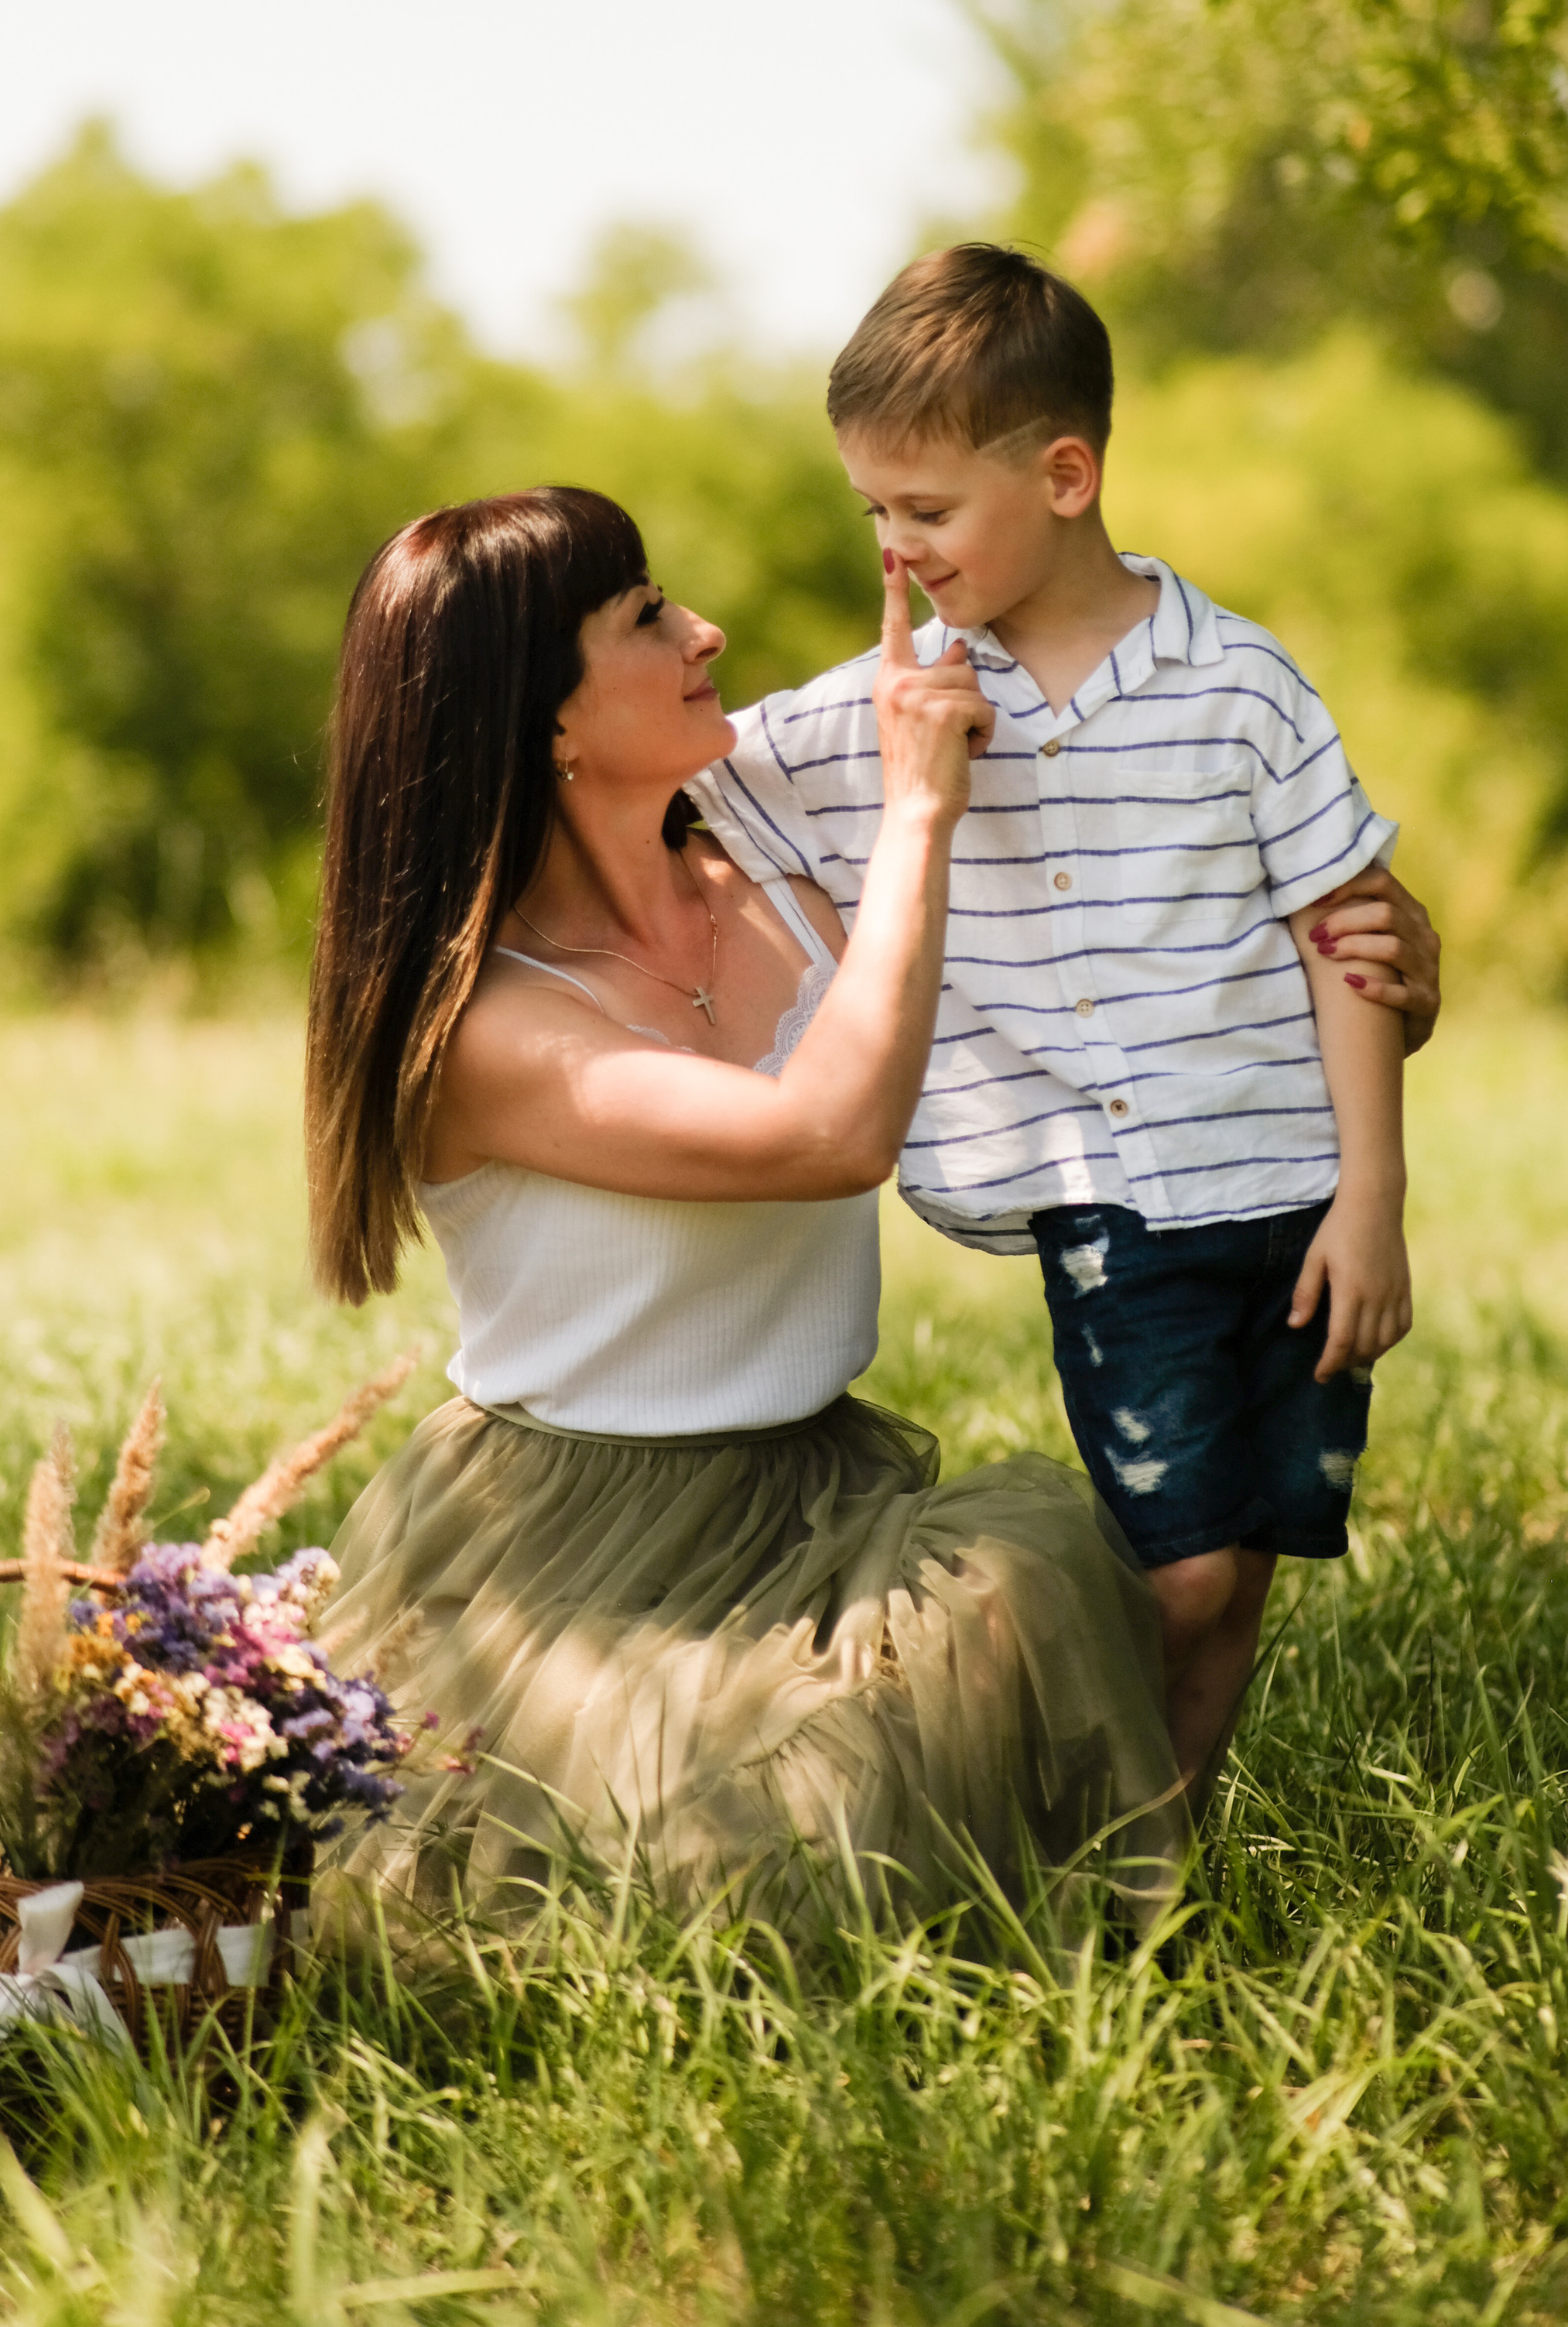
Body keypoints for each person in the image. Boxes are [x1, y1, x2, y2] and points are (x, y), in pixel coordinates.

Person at [308, 486, 1191, 1942]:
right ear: (549, 723)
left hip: (812, 1488)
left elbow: (1098, 898)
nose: (706, 629)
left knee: (1025, 1584)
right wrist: (916, 814)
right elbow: (831, 1136)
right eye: (647, 616)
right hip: (571, 1546)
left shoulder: (771, 871)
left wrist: (1336, 920)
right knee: (737, 1851)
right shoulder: (485, 1033)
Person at [691, 245, 1442, 1798]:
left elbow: (1348, 937)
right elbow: (662, 788)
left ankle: (1159, 1879)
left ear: (1062, 471)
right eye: (872, 515)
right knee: (1171, 1570)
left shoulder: (1237, 685)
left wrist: (1370, 1199)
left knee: (1241, 1570)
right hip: (1113, 1208)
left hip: (1294, 1191)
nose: (895, 552)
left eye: (925, 511)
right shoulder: (884, 708)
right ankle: (1094, 1844)